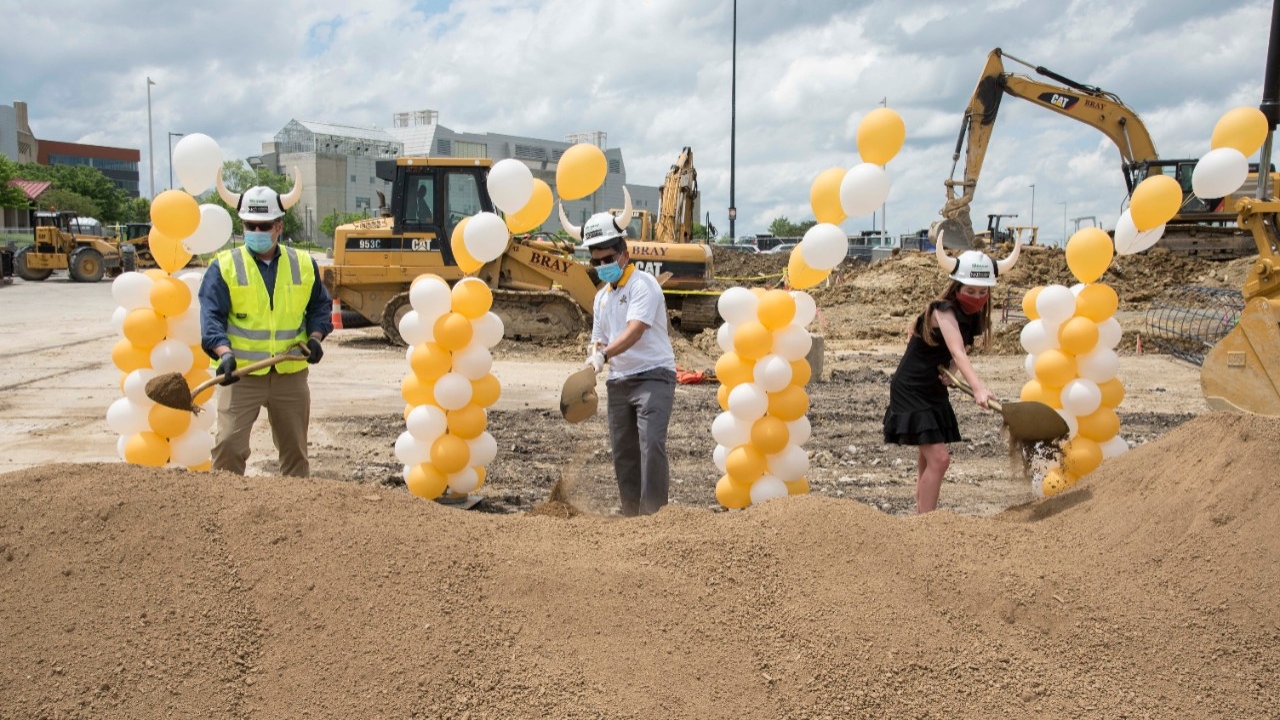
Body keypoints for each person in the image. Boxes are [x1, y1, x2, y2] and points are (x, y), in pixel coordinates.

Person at [200, 170, 333, 477]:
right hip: (241, 374)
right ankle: (224, 515)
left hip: (290, 372)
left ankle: (294, 517)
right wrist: (223, 353)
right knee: (228, 449)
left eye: (263, 226)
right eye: (250, 226)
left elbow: (319, 307)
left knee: (296, 453)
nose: (256, 231)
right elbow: (211, 317)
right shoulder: (225, 266)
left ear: (278, 226)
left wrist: (315, 338)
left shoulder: (303, 263)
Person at [559, 189, 677, 516]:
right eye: (595, 261)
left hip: (654, 376)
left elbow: (635, 330)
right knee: (623, 452)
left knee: (651, 445)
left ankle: (653, 515)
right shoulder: (601, 298)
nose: (601, 265)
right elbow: (599, 338)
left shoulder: (644, 285)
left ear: (623, 252)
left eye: (607, 258)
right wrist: (592, 359)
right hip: (619, 382)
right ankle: (631, 515)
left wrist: (604, 356)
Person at [883, 234, 1020, 514]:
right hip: (912, 388)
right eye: (971, 291)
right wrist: (979, 389)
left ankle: (920, 518)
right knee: (939, 459)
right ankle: (929, 526)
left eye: (984, 293)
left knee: (927, 460)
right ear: (957, 287)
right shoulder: (943, 311)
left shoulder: (970, 318)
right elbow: (958, 351)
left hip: (933, 387)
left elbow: (960, 350)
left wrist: (952, 374)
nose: (978, 298)